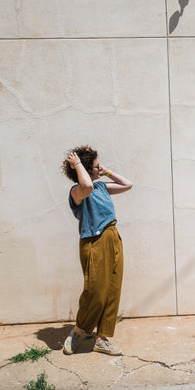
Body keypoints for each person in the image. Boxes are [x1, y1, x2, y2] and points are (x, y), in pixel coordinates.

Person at [61, 145, 132, 356]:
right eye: (96, 165)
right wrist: (78, 164)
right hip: (94, 241)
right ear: (84, 168)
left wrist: (106, 172)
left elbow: (128, 184)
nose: (98, 167)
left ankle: (101, 338)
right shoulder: (78, 191)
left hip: (112, 237)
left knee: (112, 289)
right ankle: (78, 331)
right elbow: (86, 186)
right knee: (95, 291)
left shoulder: (101, 186)